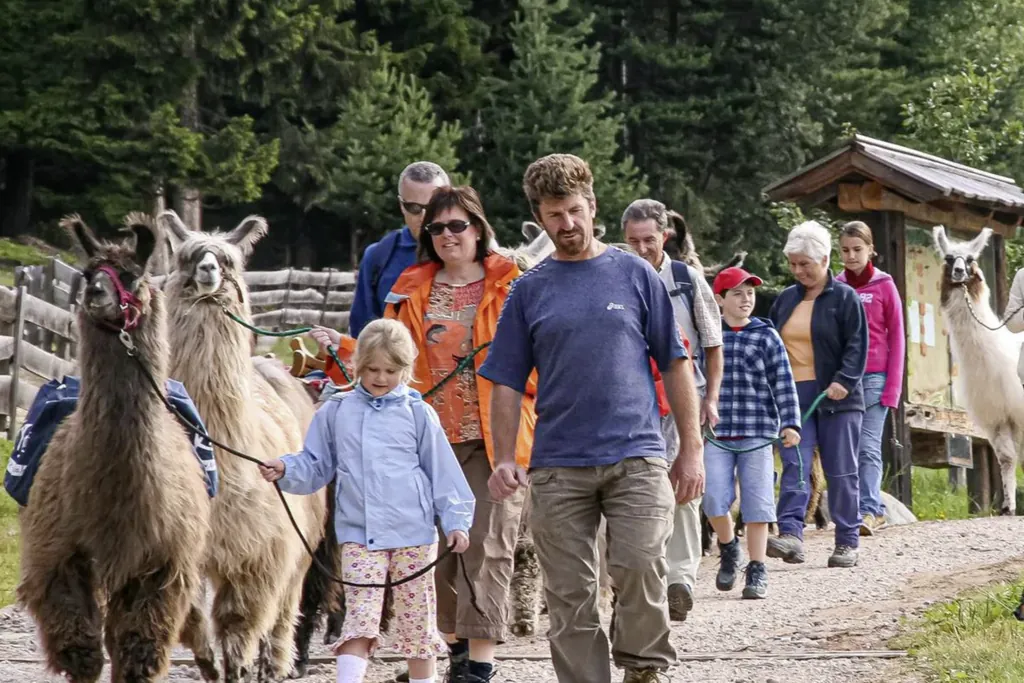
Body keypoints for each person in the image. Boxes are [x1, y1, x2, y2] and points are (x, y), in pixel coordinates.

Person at [481, 153, 705, 683]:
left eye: (576, 211)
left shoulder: (633, 273)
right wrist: (506, 458)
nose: (568, 225)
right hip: (558, 465)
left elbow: (675, 362)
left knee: (639, 566)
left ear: (593, 205)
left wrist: (691, 450)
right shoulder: (529, 289)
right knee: (570, 593)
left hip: (638, 455)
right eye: (555, 215)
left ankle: (644, 667)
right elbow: (507, 381)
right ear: (539, 217)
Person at [259, 318, 475, 683]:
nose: (380, 377)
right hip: (361, 537)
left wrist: (456, 521)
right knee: (359, 619)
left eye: (390, 370)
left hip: (415, 538)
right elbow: (316, 464)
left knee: (418, 626)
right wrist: (285, 468)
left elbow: (444, 473)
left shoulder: (418, 413)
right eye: (372, 369)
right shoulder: (336, 411)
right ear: (358, 366)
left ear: (405, 369)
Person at [382, 185, 538, 683]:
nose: (447, 236)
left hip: (497, 438)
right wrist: (334, 350)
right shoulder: (410, 287)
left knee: (486, 545)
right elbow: (385, 354)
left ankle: (481, 666)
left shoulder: (513, 282)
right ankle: (453, 654)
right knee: (439, 554)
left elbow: (543, 350)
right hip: (428, 441)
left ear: (477, 227)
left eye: (456, 225)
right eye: (436, 228)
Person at [622, 198, 723, 621]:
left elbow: (713, 343)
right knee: (641, 488)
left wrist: (711, 398)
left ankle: (680, 576)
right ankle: (652, 574)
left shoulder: (686, 280)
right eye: (633, 241)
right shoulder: (617, 274)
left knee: (684, 483)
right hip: (634, 399)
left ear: (665, 235)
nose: (642, 248)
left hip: (685, 395)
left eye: (649, 239)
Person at [768, 220, 868, 569]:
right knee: (795, 464)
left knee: (841, 470)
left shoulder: (845, 298)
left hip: (838, 396)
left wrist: (845, 380)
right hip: (794, 396)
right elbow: (772, 347)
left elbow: (857, 345)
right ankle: (791, 535)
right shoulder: (786, 300)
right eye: (793, 264)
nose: (798, 271)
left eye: (804, 264)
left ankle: (846, 541)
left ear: (824, 260)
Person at [705, 266, 801, 599]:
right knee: (714, 499)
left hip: (758, 432)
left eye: (750, 293)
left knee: (758, 503)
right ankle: (729, 547)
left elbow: (784, 383)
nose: (746, 299)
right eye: (737, 293)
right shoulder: (709, 335)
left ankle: (757, 569)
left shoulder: (766, 335)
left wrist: (790, 422)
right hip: (715, 433)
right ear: (719, 300)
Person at [835, 221, 905, 535]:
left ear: (870, 249)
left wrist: (893, 389)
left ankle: (871, 510)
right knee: (845, 448)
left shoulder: (885, 285)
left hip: (876, 379)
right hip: (844, 380)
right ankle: (849, 509)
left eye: (857, 250)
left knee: (868, 448)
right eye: (846, 250)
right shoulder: (835, 286)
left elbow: (898, 338)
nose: (851, 256)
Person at [349, 161, 451, 337]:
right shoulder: (379, 256)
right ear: (401, 205)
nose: (424, 216)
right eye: (414, 208)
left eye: (434, 206)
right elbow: (362, 336)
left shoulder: (472, 251)